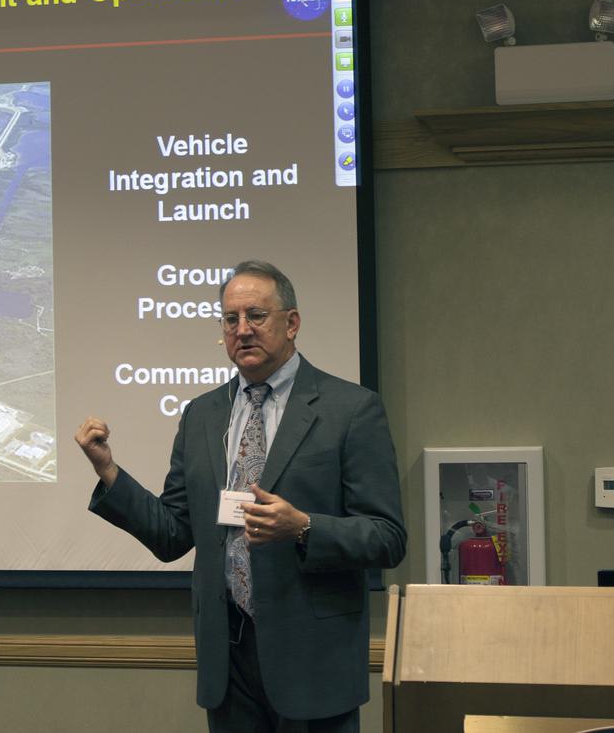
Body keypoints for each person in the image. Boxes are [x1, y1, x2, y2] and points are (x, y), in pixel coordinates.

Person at [75, 259, 406, 733]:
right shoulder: (202, 415)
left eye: (256, 316)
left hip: (312, 659)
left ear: (291, 323)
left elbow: (388, 537)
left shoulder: (350, 410)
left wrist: (305, 527)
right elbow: (173, 534)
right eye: (231, 319)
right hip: (228, 661)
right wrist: (108, 471)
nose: (243, 329)